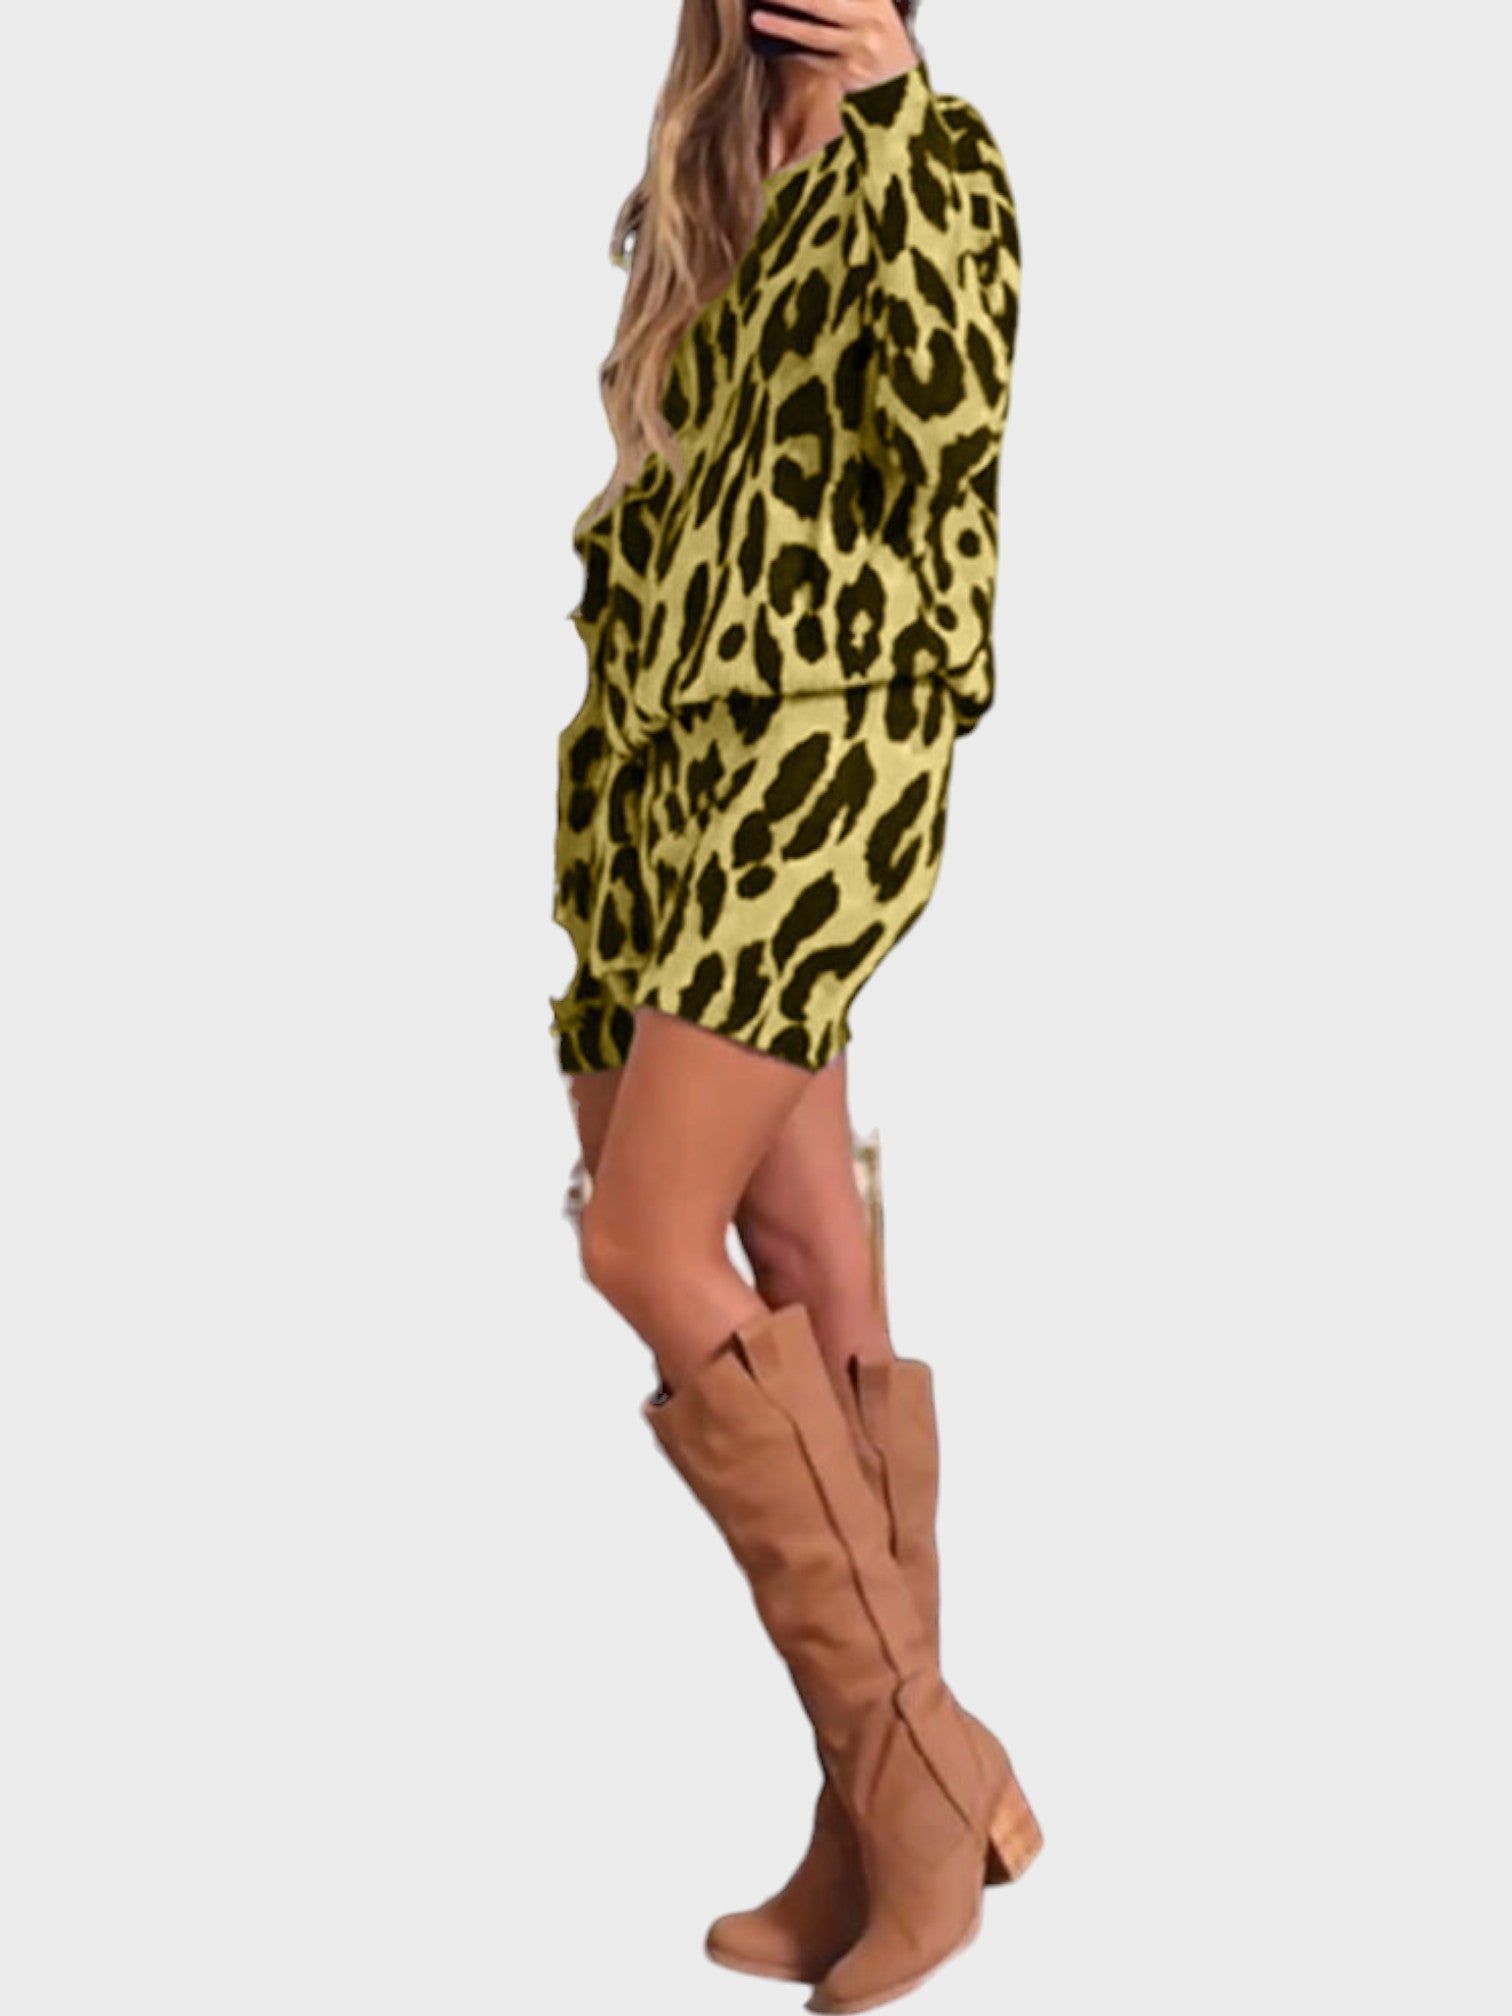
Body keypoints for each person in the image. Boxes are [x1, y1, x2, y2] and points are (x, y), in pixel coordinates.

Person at [546, 3, 1041, 2007]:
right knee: (807, 1243)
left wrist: (899, 116)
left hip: (826, 752)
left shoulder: (939, 161)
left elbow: (944, 426)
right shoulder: (720, 163)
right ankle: (873, 1819)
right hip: (682, 768)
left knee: (641, 1241)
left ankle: (923, 1778)